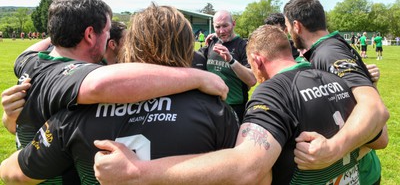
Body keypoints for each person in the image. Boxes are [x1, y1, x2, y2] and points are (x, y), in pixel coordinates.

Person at [90, 25, 388, 185]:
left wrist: (136, 173)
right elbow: (381, 138)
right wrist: (340, 150)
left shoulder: (272, 93)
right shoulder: (331, 75)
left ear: (257, 60)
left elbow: (249, 169)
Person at [0, 0, 228, 183]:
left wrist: (11, 120)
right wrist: (197, 77)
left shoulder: (71, 109)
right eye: (107, 31)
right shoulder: (216, 110)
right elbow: (99, 83)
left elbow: (12, 172)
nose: (110, 37)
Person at [283, 0, 389, 185]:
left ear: (297, 26)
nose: (290, 33)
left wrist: (332, 149)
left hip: (362, 173)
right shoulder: (330, 47)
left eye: (288, 27)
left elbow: (375, 110)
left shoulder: (328, 53)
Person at [200, 10, 256, 123]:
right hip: (211, 104)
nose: (222, 31)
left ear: (234, 24)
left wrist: (231, 60)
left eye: (225, 26)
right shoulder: (213, 41)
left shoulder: (244, 46)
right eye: (218, 27)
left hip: (235, 106)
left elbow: (252, 80)